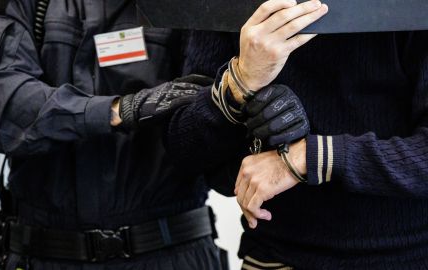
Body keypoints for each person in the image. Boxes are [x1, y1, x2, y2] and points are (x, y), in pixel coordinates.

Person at [0, 0, 225, 269]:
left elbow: (222, 130)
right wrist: (115, 110)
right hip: (43, 253)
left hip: (172, 252)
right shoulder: (27, 4)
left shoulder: (194, 7)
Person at [165, 0, 428, 268]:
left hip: (404, 255)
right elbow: (186, 151)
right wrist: (241, 81)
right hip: (275, 255)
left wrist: (310, 157)